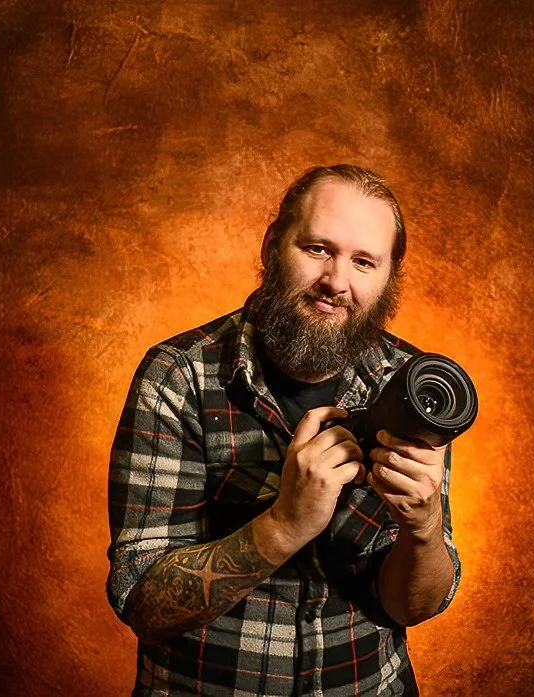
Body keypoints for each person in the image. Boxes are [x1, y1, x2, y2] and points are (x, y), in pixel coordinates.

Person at [107, 164, 462, 696]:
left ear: (389, 276)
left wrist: (424, 527)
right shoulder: (179, 377)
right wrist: (284, 525)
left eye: (364, 262)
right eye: (318, 248)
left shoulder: (412, 388)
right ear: (274, 244)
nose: (337, 282)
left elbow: (413, 605)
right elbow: (143, 605)